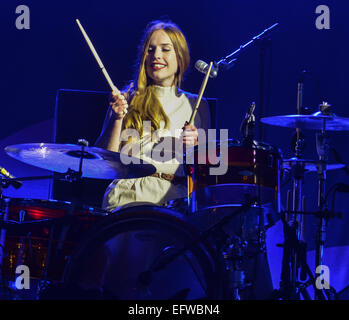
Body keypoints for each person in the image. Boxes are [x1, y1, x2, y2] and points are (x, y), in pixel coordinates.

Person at [95, 20, 211, 213]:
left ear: (180, 57)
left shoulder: (199, 105)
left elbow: (213, 169)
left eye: (165, 49)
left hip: (177, 203)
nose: (156, 55)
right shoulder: (125, 99)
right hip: (127, 198)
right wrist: (116, 120)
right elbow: (103, 163)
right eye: (150, 50)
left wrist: (196, 148)